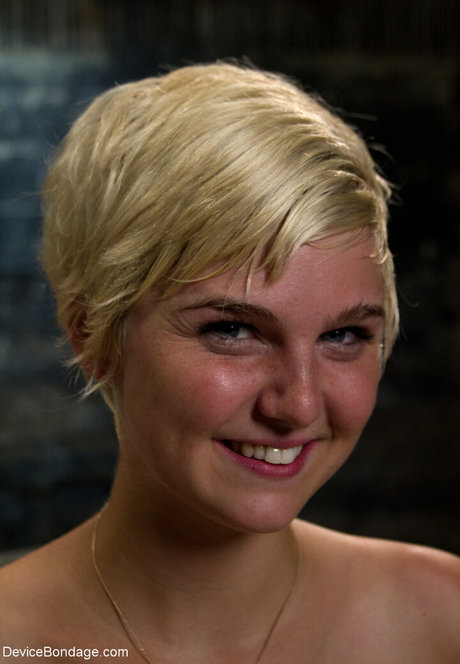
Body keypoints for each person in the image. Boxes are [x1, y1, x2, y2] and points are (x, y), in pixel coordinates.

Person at [0, 62, 459, 663]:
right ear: (92, 335)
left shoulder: (443, 620)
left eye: (343, 335)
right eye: (233, 330)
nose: (298, 405)